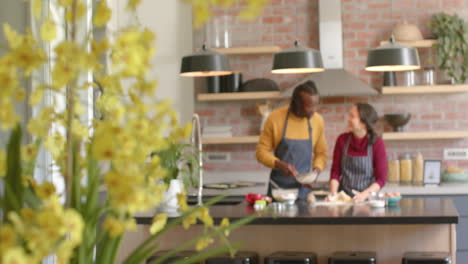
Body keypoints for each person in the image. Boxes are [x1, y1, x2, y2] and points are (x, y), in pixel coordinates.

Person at [256, 80, 328, 200]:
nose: (314, 110)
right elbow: (261, 152)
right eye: (310, 106)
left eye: (316, 105)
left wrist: (315, 173)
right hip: (278, 190)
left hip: (304, 190)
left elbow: (321, 153)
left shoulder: (317, 121)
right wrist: (279, 164)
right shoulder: (275, 118)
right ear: (297, 104)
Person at [329, 103, 387, 203]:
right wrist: (333, 194)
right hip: (344, 201)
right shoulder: (342, 140)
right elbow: (335, 172)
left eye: (352, 116)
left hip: (367, 200)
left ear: (364, 123)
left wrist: (364, 195)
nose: (348, 119)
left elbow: (381, 179)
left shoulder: (377, 143)